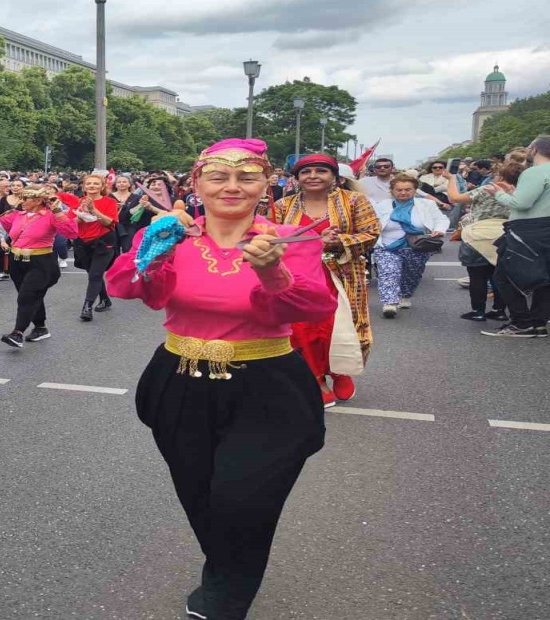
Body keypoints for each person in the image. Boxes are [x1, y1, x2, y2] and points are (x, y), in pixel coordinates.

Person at [106, 138, 335, 620]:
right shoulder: (175, 234)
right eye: (218, 176)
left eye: (246, 176)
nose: (232, 186)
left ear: (266, 183)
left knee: (244, 499)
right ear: (197, 184)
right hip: (179, 380)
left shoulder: (292, 239)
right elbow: (126, 286)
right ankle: (228, 568)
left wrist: (273, 274)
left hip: (267, 387)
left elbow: (316, 306)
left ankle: (226, 596)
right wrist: (152, 246)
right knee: (200, 493)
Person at [271, 154, 380, 406]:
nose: (313, 176)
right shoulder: (283, 206)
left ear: (334, 176)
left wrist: (338, 241)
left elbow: (371, 233)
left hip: (341, 274)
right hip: (300, 278)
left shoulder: (354, 200)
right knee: (304, 331)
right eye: (306, 172)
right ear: (297, 178)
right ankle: (316, 379)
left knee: (340, 328)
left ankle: (340, 372)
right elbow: (273, 239)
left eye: (321, 171)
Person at [0, 187, 78, 347]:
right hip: (17, 260)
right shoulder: (17, 215)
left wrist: (58, 212)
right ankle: (40, 328)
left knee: (26, 296)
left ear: (38, 200)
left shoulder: (51, 216)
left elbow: (72, 233)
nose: (22, 201)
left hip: (41, 262)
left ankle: (17, 333)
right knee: (31, 295)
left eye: (26, 198)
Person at [486, 135, 550, 338]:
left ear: (534, 151)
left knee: (504, 275)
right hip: (545, 227)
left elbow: (521, 203)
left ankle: (521, 322)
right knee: (543, 277)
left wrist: (498, 194)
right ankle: (539, 322)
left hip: (528, 228)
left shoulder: (535, 172)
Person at [441, 159, 519, 323]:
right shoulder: (519, 192)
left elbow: (455, 198)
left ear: (500, 176)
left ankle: (478, 311)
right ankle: (499, 310)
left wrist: (451, 179)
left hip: (478, 234)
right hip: (505, 234)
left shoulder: (487, 189)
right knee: (500, 275)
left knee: (477, 275)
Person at [372, 175, 449, 318]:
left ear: (415, 190)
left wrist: (439, 230)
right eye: (399, 190)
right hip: (387, 247)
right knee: (389, 273)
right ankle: (389, 303)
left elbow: (441, 219)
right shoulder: (382, 205)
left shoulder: (427, 204)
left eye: (408, 189)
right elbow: (372, 222)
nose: (403, 193)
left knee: (412, 274)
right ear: (392, 191)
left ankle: (405, 295)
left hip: (417, 247)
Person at [72, 173, 119, 321]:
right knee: (93, 273)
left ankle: (87, 307)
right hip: (83, 242)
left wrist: (94, 211)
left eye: (96, 183)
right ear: (84, 186)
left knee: (95, 275)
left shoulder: (109, 202)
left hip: (104, 242)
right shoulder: (78, 201)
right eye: (89, 184)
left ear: (102, 186)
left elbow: (109, 223)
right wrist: (79, 217)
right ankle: (105, 299)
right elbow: (70, 224)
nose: (92, 186)